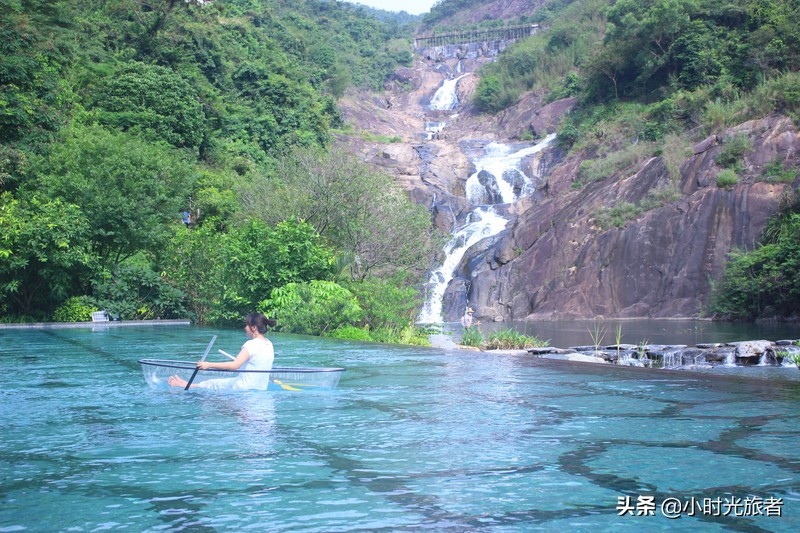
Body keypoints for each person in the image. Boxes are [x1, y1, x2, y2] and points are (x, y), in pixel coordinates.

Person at [168, 313, 277, 390]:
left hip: (243, 388)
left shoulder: (251, 344)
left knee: (211, 386)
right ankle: (187, 384)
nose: (245, 328)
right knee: (212, 383)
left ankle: (185, 386)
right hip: (260, 389)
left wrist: (208, 365)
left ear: (253, 328)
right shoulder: (269, 344)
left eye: (246, 325)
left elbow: (234, 365)